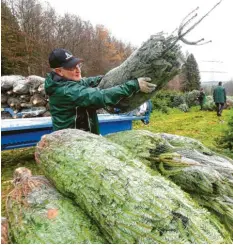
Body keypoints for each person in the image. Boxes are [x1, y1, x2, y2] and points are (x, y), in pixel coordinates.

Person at [45, 48, 156, 134]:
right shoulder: (65, 91)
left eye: (77, 65)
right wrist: (134, 85)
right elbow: (101, 97)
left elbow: (87, 82)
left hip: (83, 137)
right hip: (72, 143)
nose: (77, 70)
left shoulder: (66, 82)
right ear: (59, 71)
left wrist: (108, 77)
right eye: (71, 67)